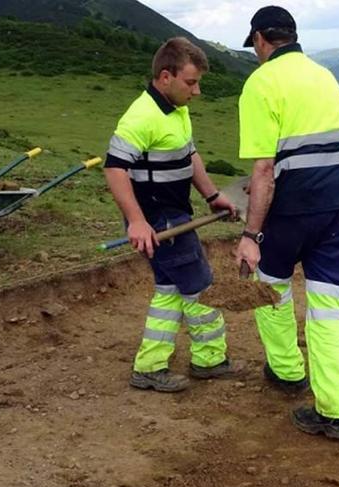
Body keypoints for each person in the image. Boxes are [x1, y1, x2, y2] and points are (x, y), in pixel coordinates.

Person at [234, 6, 339, 440]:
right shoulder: (325, 76)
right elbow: (314, 150)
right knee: (326, 306)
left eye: (254, 47)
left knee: (270, 284)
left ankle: (287, 372)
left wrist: (250, 235)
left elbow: (265, 168)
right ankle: (336, 410)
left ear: (260, 40)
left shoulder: (261, 83)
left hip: (293, 208)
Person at [103, 37, 238, 393]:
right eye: (191, 82)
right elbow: (115, 169)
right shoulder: (141, 116)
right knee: (200, 286)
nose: (196, 91)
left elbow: (189, 155)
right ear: (166, 77)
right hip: (160, 221)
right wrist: (136, 221)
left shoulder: (176, 109)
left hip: (175, 214)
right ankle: (209, 360)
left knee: (169, 291)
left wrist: (211, 195)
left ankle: (149, 366)